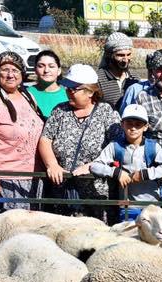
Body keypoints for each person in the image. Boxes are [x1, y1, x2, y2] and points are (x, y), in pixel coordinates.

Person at [38, 64, 121, 219]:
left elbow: (117, 146)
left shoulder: (106, 112)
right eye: (67, 88)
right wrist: (52, 165)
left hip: (96, 193)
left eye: (73, 89)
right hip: (63, 192)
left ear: (90, 91)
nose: (68, 92)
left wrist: (93, 166)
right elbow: (45, 139)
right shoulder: (60, 111)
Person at [0, 51, 45, 210]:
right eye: (5, 69)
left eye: (15, 70)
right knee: (12, 229)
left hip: (34, 177)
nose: (10, 74)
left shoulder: (27, 96)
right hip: (8, 179)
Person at [90, 104, 162, 221]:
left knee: (152, 236)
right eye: (129, 123)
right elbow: (94, 166)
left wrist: (145, 174)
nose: (133, 128)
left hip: (151, 204)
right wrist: (116, 173)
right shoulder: (115, 146)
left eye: (138, 124)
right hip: (127, 205)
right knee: (128, 235)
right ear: (122, 124)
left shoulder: (153, 147)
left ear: (145, 127)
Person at [96, 31, 136, 110]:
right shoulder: (97, 79)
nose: (125, 60)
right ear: (109, 55)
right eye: (120, 55)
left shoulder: (134, 78)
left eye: (128, 55)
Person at [28, 50, 67, 117]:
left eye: (51, 66)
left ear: (59, 71)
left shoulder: (68, 94)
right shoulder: (27, 93)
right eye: (41, 66)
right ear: (35, 70)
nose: (46, 70)